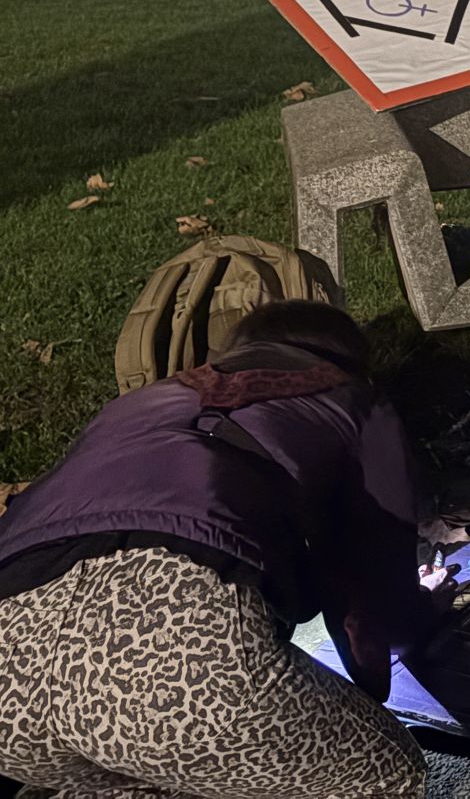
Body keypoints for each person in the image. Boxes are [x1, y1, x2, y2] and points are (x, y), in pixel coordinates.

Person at [0, 300, 437, 797]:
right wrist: (393, 652)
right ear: (351, 360)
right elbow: (373, 596)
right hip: (171, 653)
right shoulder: (357, 400)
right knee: (383, 773)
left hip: (8, 683)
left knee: (158, 773)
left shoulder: (143, 400)